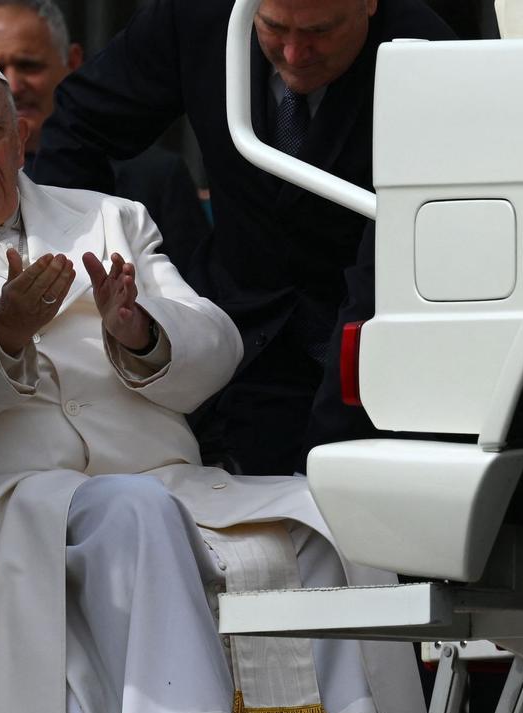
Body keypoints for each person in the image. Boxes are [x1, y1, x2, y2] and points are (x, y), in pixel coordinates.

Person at [0, 56, 425, 713]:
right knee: (133, 514)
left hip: (165, 479)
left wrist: (141, 329)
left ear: (23, 140)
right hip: (7, 498)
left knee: (322, 513)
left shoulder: (109, 217)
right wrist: (0, 334)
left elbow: (218, 343)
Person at [29, 0, 455, 475]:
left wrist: (336, 441)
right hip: (240, 341)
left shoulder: (427, 55)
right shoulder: (198, 16)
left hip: (371, 352)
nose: (295, 53)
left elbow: (394, 258)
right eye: (274, 28)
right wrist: (86, 276)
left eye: (320, 31)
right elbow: (80, 125)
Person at [0, 0, 210, 272]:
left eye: (29, 66)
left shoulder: (157, 177)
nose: (13, 86)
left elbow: (196, 302)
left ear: (73, 61)